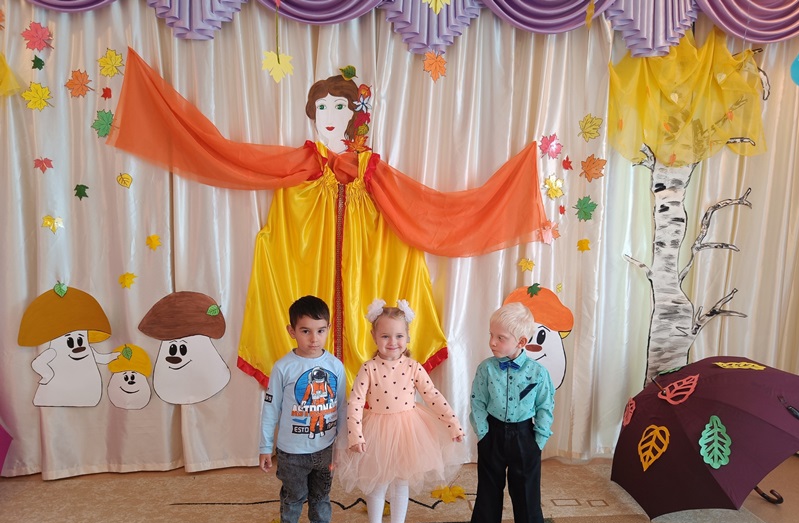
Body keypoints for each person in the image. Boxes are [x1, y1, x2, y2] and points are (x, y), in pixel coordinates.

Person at [108, 48, 552, 387]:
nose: (330, 117)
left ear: (355, 116)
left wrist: (507, 196)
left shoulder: (374, 173)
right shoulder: (300, 165)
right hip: (300, 270)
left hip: (372, 275)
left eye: (340, 107)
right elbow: (229, 157)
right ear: (312, 115)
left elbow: (434, 210)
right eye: (322, 108)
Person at [336, 299, 465, 523]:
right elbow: (356, 402)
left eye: (398, 336)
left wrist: (452, 423)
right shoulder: (369, 368)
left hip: (408, 431)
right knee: (378, 482)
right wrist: (355, 434)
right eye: (385, 336)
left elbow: (432, 395)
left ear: (407, 337)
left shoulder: (413, 367)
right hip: (377, 431)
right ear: (374, 336)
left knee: (401, 482)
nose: (392, 341)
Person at [258, 296, 347, 523]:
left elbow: (342, 407)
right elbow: (270, 409)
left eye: (320, 330)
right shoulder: (283, 367)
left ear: (329, 329)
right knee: (293, 498)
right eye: (305, 331)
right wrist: (265, 447)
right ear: (292, 331)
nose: (314, 338)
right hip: (292, 453)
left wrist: (341, 445)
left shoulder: (335, 366)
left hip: (325, 449)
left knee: (321, 496)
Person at [469, 302, 555, 523]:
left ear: (521, 341)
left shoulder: (538, 373)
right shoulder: (486, 369)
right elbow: (477, 401)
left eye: (500, 338)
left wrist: (539, 440)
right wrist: (483, 433)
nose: (492, 342)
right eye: (491, 335)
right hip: (493, 433)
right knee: (489, 483)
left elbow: (545, 406)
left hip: (524, 435)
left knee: (526, 485)